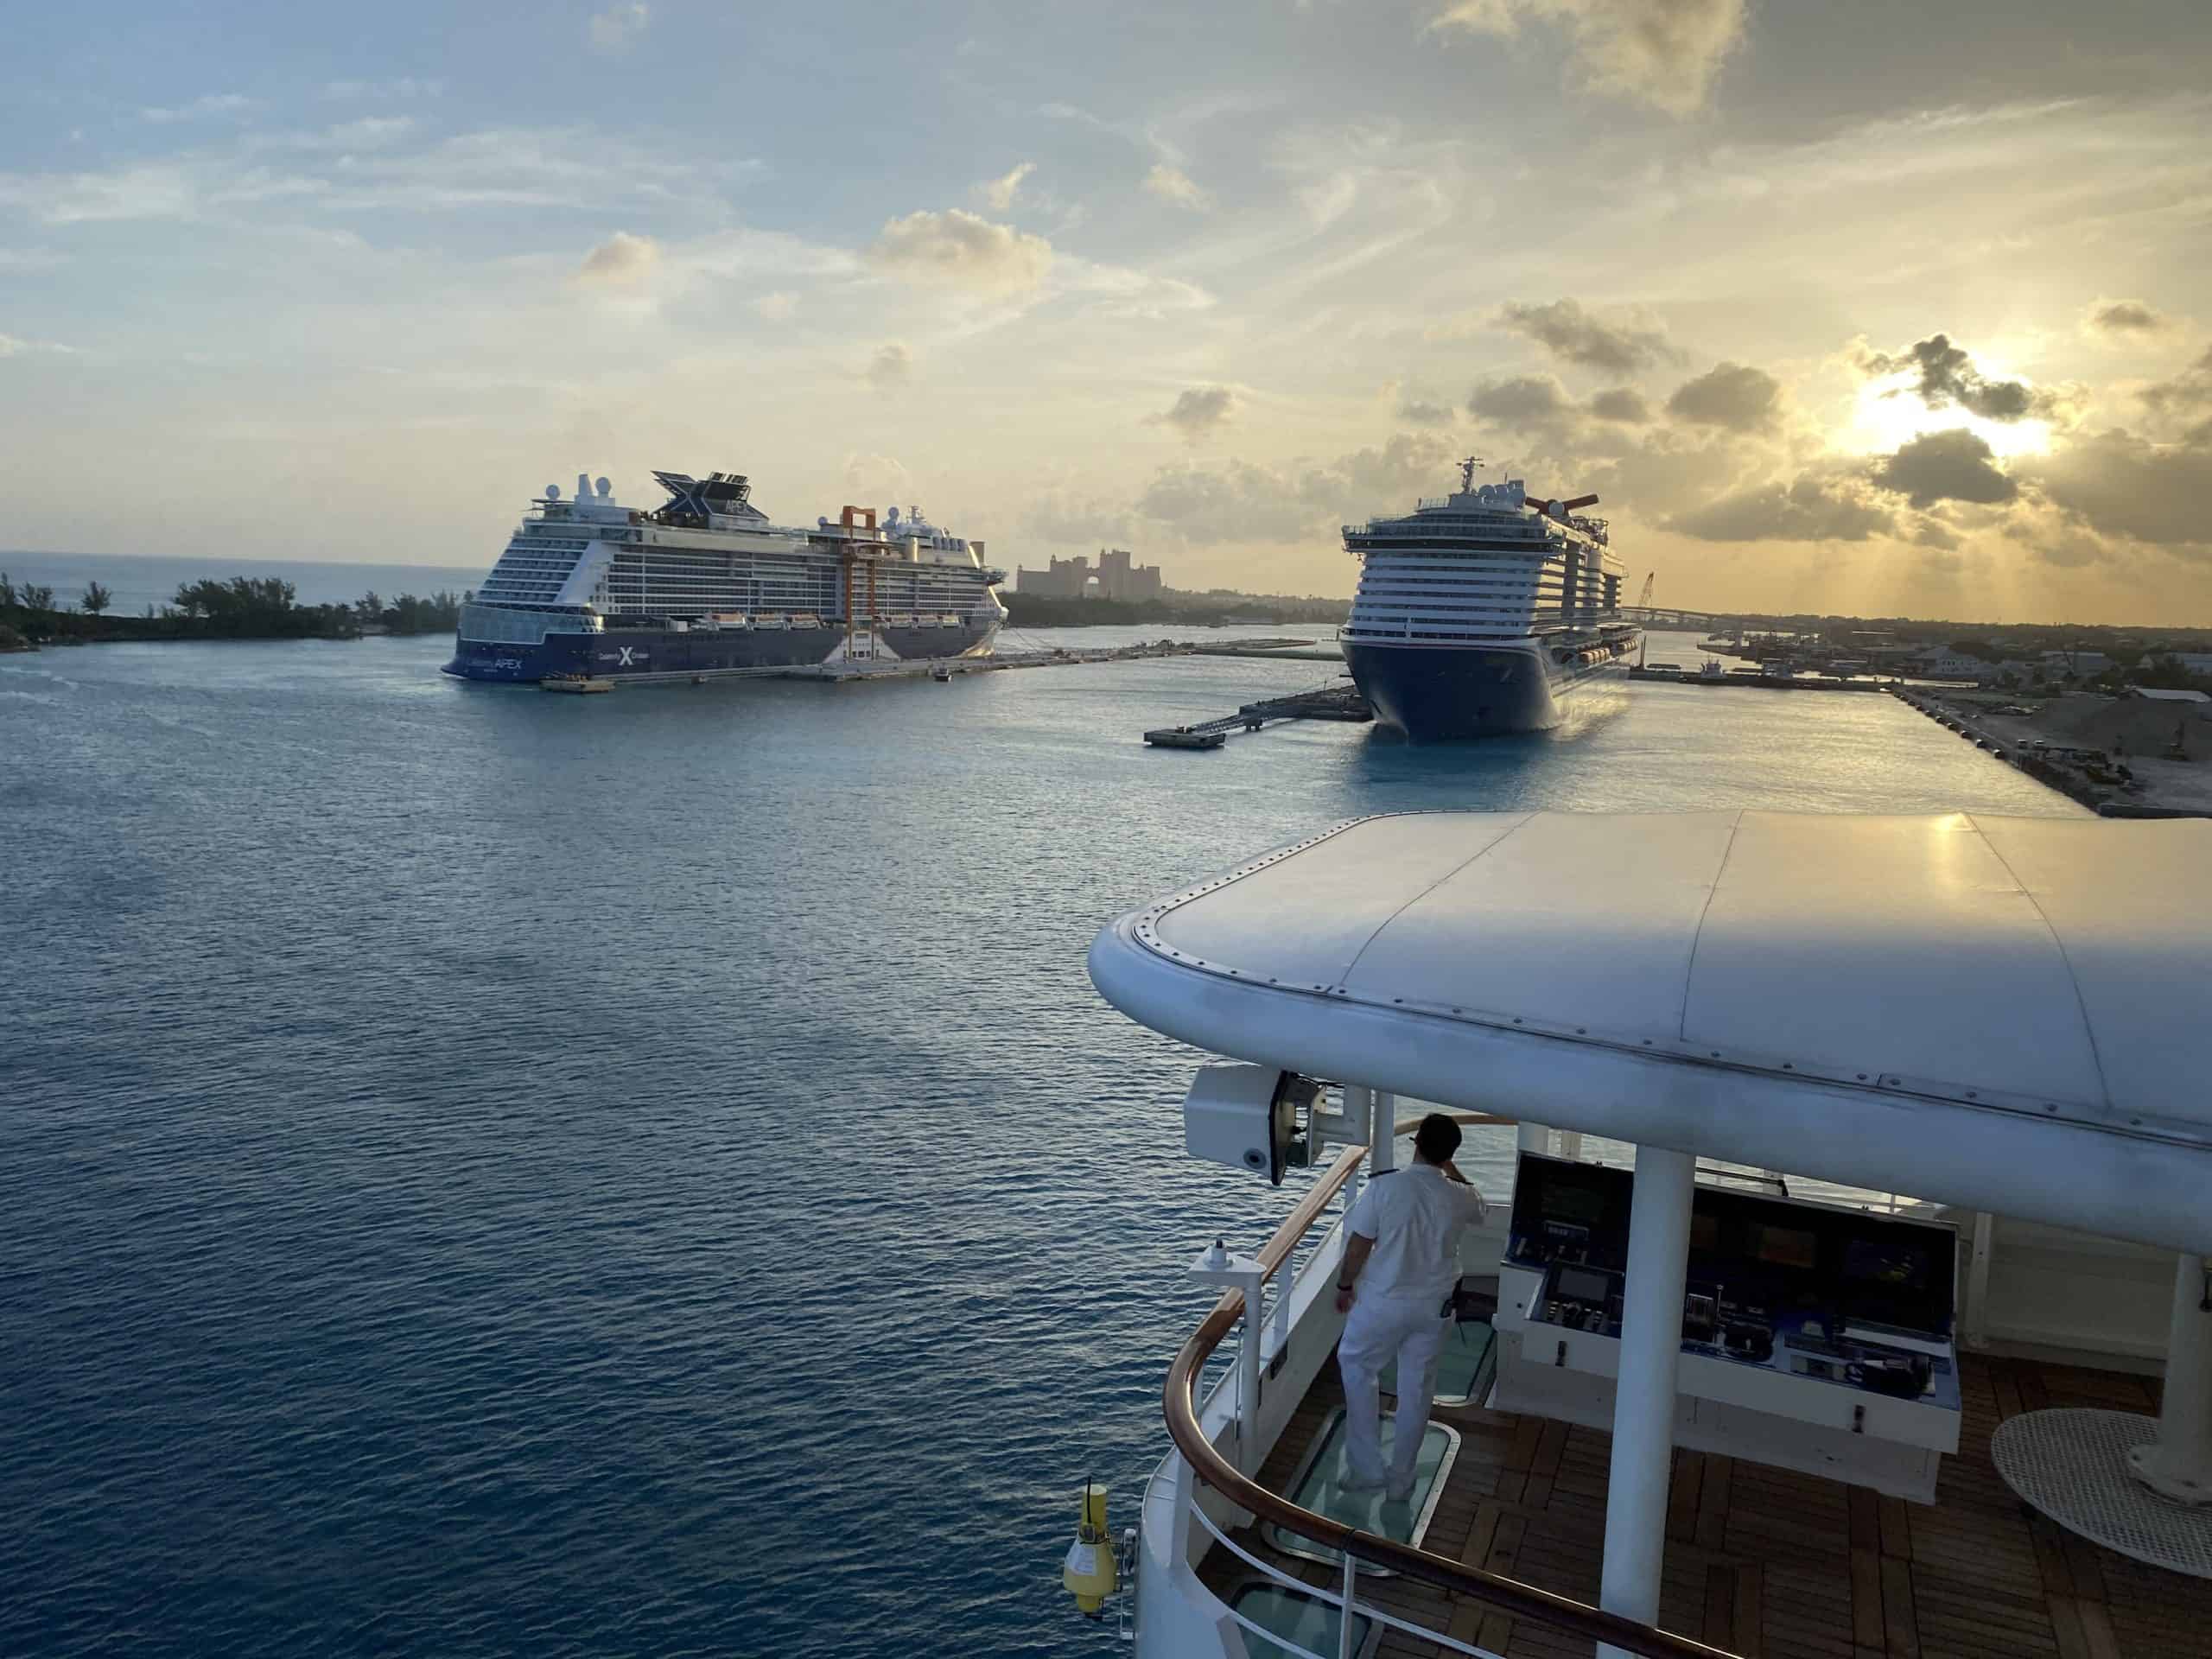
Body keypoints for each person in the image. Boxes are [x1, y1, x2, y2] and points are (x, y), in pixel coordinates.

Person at [1332, 1112, 1488, 1500]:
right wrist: (1450, 1167)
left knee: (1358, 1368)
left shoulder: (1385, 1188)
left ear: (1415, 1144)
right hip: (1435, 1308)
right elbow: (1481, 1211)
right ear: (1449, 1154)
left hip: (1383, 1303)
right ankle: (1402, 1481)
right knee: (1417, 1388)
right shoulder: (1461, 1194)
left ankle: (1367, 1471)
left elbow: (1359, 1245)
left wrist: (1345, 1285)